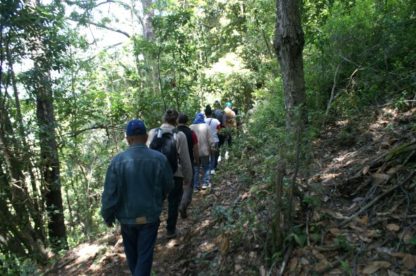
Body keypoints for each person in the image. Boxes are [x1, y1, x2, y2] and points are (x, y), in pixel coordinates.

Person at [101, 119, 173, 276]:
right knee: (144, 256)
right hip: (150, 217)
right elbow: (169, 185)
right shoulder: (159, 159)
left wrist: (107, 215)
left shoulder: (117, 162)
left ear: (128, 138)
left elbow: (109, 194)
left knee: (133, 257)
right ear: (146, 137)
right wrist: (159, 198)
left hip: (127, 219)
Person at [147, 109, 193, 238]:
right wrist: (188, 178)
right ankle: (170, 230)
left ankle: (152, 230)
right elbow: (185, 158)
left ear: (163, 119)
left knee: (156, 202)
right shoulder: (180, 135)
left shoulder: (152, 133)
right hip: (175, 174)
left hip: (156, 175)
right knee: (173, 202)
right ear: (177, 120)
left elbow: (147, 155)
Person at [177, 113, 199, 219]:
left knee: (178, 185)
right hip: (189, 161)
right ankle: (183, 204)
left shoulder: (173, 132)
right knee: (188, 185)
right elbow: (195, 148)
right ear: (187, 121)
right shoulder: (191, 133)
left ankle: (178, 204)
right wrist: (197, 160)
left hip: (175, 163)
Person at [190, 112, 214, 190]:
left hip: (194, 152)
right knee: (206, 167)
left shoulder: (191, 127)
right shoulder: (206, 126)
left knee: (196, 168)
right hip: (205, 151)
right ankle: (205, 183)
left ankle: (195, 186)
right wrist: (212, 148)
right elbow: (211, 140)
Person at [204, 105, 221, 174]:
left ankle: (208, 169)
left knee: (208, 155)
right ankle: (213, 168)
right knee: (214, 155)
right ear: (211, 113)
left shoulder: (203, 121)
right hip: (215, 140)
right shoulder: (216, 121)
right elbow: (219, 130)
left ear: (205, 114)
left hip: (206, 141)